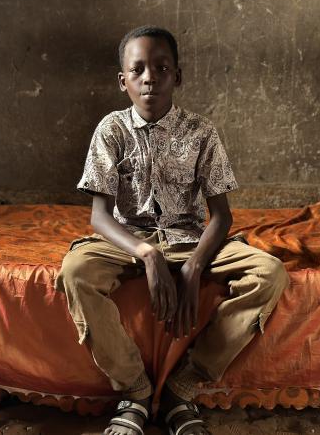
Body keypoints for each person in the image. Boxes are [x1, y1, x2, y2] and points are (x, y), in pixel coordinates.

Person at [56, 26, 289, 435]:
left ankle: (184, 387)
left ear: (177, 76)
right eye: (138, 69)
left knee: (270, 273)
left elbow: (221, 215)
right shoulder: (111, 130)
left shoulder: (202, 132)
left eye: (162, 68)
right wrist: (147, 254)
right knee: (76, 272)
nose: (150, 77)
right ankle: (135, 392)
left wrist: (194, 267)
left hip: (190, 240)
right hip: (129, 241)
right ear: (123, 80)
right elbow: (99, 217)